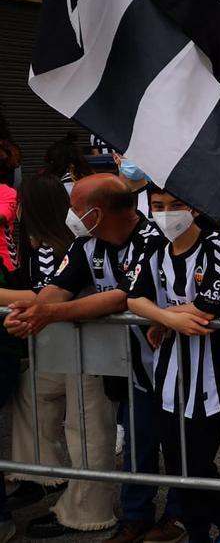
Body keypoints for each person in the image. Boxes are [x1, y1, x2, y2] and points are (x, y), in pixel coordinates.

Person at [4, 174, 169, 539]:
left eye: (76, 207)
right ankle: (136, 515)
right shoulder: (86, 243)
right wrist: (37, 311)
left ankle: (179, 515)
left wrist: (49, 314)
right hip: (110, 359)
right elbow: (57, 290)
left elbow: (123, 297)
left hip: (163, 360)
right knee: (138, 442)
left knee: (173, 441)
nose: (71, 215)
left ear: (97, 212)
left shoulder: (153, 240)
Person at [126, 187, 220, 543]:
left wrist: (166, 317)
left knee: (197, 465)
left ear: (194, 208)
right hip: (167, 375)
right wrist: (168, 318)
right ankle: (198, 535)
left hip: (213, 375)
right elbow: (134, 297)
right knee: (178, 467)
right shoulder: (153, 247)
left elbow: (206, 306)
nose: (166, 214)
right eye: (158, 206)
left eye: (176, 205)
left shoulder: (216, 245)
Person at [0, 174, 74, 536]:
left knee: (82, 426)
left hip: (77, 346)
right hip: (48, 346)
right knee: (30, 399)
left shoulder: (64, 245)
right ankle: (41, 473)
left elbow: (44, 297)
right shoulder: (32, 242)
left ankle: (85, 499)